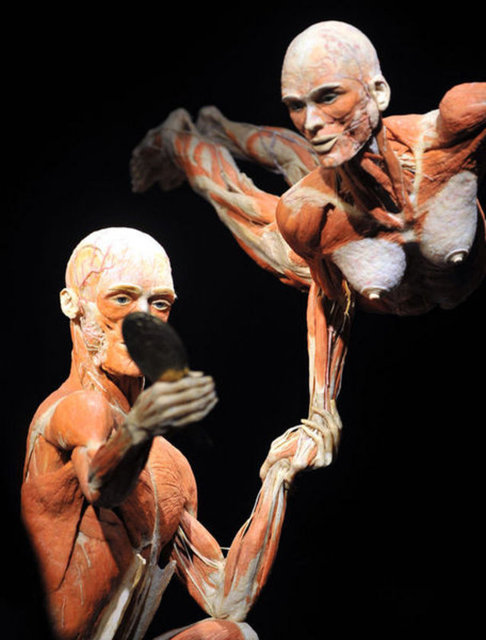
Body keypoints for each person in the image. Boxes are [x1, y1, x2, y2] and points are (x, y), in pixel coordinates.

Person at [130, 20, 486, 477]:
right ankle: (180, 140)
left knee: (312, 159)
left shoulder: (455, 131)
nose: (312, 122)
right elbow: (330, 297)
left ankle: (219, 127)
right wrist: (321, 411)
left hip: (375, 221)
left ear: (378, 91)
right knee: (242, 203)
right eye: (296, 106)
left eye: (328, 97)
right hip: (342, 249)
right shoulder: (308, 216)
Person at [21, 226, 300, 640]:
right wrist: (142, 425)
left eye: (160, 303)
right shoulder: (75, 409)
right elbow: (101, 485)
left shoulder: (170, 464)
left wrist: (278, 477)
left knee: (232, 633)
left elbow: (228, 598)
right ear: (72, 304)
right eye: (122, 299)